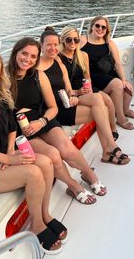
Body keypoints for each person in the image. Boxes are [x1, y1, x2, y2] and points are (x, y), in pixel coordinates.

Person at [0, 48, 64, 254]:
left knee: (45, 162)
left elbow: (13, 126)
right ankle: (37, 225)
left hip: (1, 155)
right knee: (33, 173)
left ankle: (45, 214)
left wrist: (9, 151)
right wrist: (7, 158)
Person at [8, 37, 109, 207]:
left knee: (67, 150)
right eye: (24, 53)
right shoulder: (3, 78)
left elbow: (53, 107)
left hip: (42, 118)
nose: (28, 59)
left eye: (33, 56)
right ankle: (73, 186)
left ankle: (88, 174)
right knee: (53, 155)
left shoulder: (38, 75)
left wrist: (41, 121)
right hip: (19, 128)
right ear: (15, 53)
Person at [38, 28, 130, 165]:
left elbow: (69, 89)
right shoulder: (52, 62)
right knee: (101, 105)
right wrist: (74, 94)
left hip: (70, 98)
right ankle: (111, 146)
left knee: (101, 103)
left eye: (76, 40)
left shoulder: (61, 63)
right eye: (49, 45)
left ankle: (108, 148)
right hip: (58, 107)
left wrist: (77, 93)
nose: (53, 48)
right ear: (42, 46)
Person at [59, 25, 118, 139]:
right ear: (63, 40)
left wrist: (88, 87)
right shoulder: (59, 58)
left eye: (76, 40)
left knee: (108, 101)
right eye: (69, 39)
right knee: (100, 102)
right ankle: (107, 134)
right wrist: (79, 91)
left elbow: (87, 76)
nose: (73, 42)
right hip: (72, 91)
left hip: (84, 88)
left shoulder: (83, 55)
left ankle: (113, 129)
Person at [81, 16, 134, 130]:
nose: (100, 29)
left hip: (108, 73)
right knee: (117, 84)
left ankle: (126, 110)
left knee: (127, 87)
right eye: (97, 25)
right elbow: (68, 49)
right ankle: (120, 118)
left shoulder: (109, 43)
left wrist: (124, 80)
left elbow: (117, 63)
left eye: (103, 27)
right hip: (92, 76)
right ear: (92, 27)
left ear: (106, 30)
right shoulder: (84, 40)